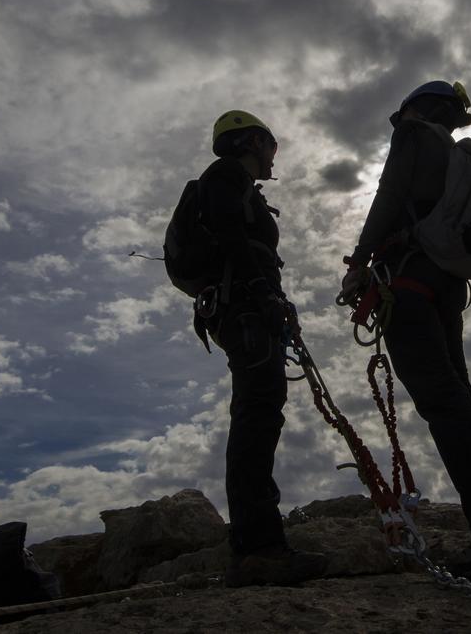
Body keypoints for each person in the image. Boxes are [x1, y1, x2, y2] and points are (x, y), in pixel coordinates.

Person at [340, 82, 471, 580]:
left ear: (414, 108)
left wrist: (359, 262)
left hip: (406, 281)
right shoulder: (456, 156)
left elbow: (388, 197)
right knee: (460, 399)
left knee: (443, 403)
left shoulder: (412, 136)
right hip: (447, 284)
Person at [197, 110, 327, 587]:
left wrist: (272, 296)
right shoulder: (226, 177)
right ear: (251, 141)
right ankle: (259, 549)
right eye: (271, 145)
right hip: (246, 310)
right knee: (257, 416)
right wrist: (262, 291)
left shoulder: (236, 185)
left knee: (259, 415)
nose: (275, 156)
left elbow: (240, 243)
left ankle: (257, 545)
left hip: (247, 309)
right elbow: (232, 237)